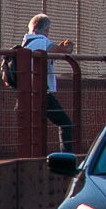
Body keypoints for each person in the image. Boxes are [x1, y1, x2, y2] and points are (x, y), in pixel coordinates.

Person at [22, 13, 74, 152]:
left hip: (28, 91)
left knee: (35, 127)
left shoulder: (26, 43)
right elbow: (64, 51)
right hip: (41, 92)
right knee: (66, 123)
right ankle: (66, 158)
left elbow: (51, 53)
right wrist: (68, 45)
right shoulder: (42, 41)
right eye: (48, 29)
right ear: (45, 29)